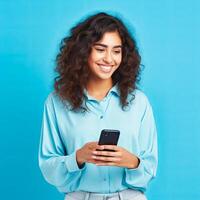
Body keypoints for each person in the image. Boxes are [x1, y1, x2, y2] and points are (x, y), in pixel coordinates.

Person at [38, 12, 158, 200]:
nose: (109, 59)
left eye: (116, 51)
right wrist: (77, 158)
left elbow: (150, 168)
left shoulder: (139, 102)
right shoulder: (56, 102)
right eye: (101, 49)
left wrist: (132, 162)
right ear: (83, 51)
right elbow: (48, 167)